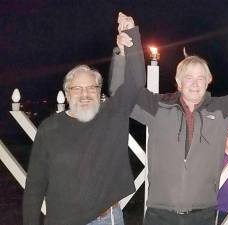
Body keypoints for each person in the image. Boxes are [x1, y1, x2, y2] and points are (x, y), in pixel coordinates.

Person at [109, 19, 228, 225]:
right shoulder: (158, 107)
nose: (194, 83)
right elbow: (122, 94)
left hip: (202, 216)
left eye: (201, 77)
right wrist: (125, 52)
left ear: (209, 80)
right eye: (188, 77)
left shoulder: (221, 111)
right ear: (178, 81)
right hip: (160, 214)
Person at [22, 13, 145, 225]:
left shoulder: (111, 115)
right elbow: (35, 185)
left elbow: (135, 82)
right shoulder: (50, 128)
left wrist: (130, 35)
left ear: (99, 92)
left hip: (108, 219)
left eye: (91, 88)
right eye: (77, 89)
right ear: (67, 94)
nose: (85, 94)